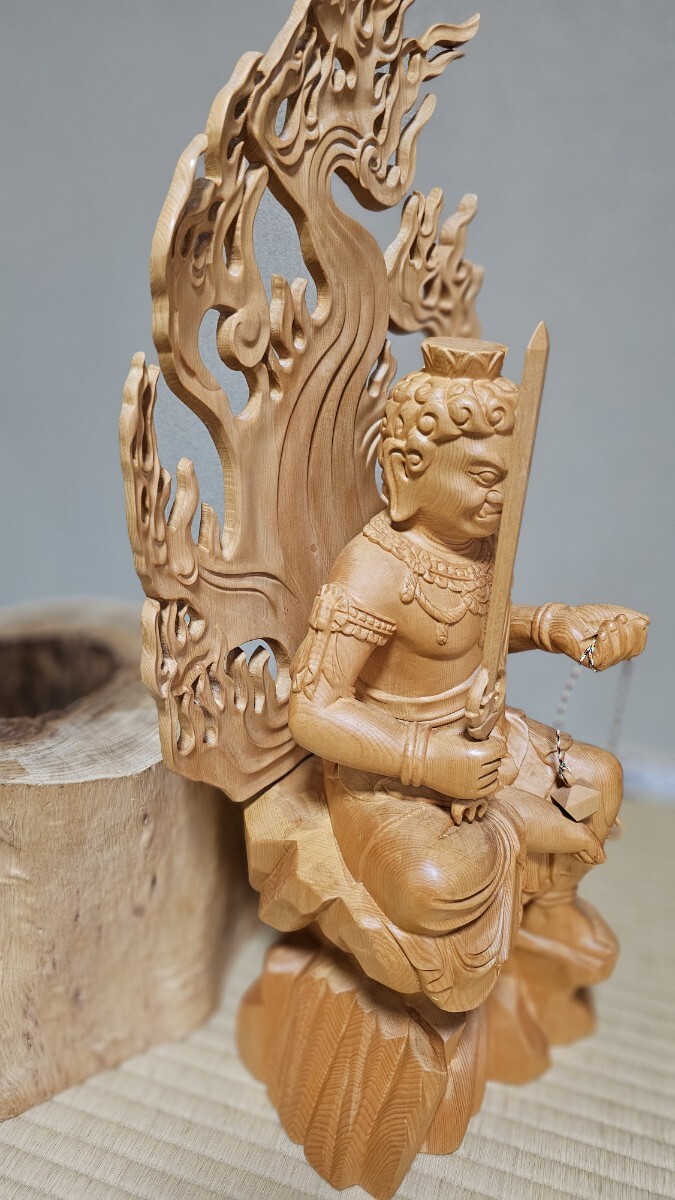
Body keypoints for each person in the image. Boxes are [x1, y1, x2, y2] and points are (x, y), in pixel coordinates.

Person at [288, 337, 648, 1008]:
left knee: (599, 780)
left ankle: (549, 907)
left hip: (483, 740)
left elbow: (469, 630)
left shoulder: (477, 545)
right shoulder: (374, 568)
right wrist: (428, 760)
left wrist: (557, 626)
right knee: (435, 884)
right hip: (389, 774)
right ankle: (519, 830)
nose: (501, 497)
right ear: (407, 470)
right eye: (483, 477)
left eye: (511, 477)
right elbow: (313, 708)